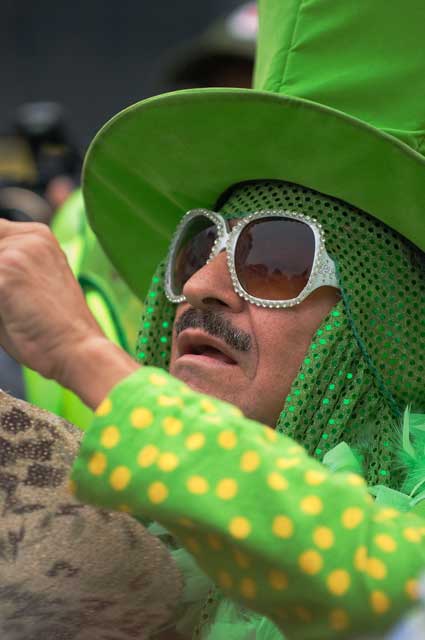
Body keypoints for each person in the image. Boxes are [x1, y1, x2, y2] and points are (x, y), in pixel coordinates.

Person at [0, 0, 425, 638]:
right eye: (202, 245)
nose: (198, 286)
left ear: (388, 327)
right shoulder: (106, 557)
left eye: (275, 259)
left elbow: (380, 581)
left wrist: (82, 353)